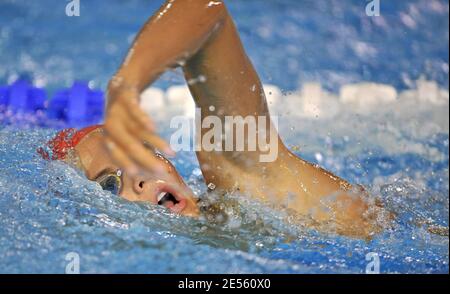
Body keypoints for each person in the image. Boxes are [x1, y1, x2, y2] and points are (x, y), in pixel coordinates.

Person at [40, 0, 386, 238]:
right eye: (109, 186)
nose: (138, 179)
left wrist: (127, 82)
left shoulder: (246, 187)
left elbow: (207, 11)